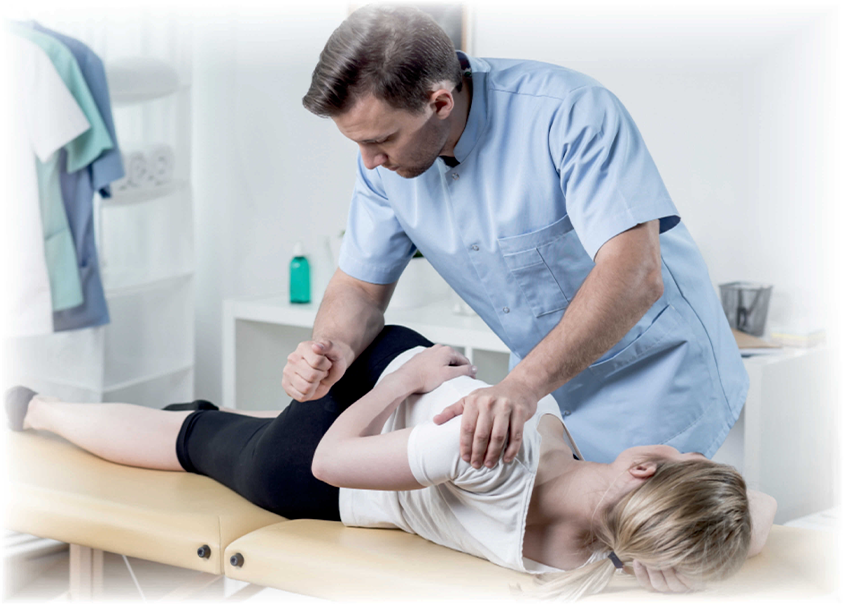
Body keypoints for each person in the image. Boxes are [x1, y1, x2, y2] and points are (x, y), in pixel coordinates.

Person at [287, 5, 749, 468]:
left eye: (382, 140)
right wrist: (330, 350)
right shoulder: (383, 165)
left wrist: (523, 387)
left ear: (440, 102)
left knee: (656, 535)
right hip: (544, 388)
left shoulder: (568, 113)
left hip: (658, 381)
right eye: (358, 144)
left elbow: (635, 274)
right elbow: (360, 288)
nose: (369, 162)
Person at [6, 326, 775, 600]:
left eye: (678, 459)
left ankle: (33, 410)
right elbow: (755, 518)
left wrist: (401, 381)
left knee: (196, 447)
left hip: (314, 470)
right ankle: (206, 423)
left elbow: (334, 460)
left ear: (645, 468)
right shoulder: (597, 561)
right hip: (398, 424)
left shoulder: (484, 451)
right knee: (219, 433)